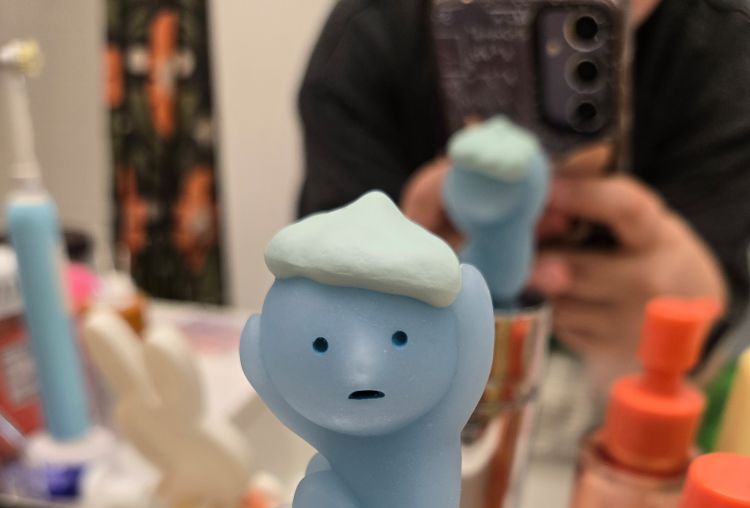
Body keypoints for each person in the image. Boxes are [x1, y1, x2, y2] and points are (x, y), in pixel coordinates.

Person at [297, 0, 750, 371]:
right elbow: (315, 321)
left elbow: (725, 337)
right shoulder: (368, 35)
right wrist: (375, 310)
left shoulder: (731, 49)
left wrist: (696, 334)